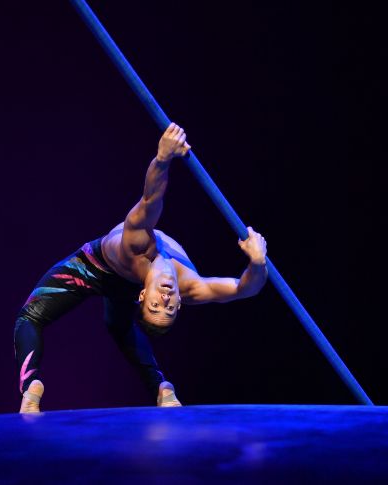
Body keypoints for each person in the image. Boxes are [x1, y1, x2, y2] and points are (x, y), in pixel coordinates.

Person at [14, 123, 268, 413]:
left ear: (143, 296)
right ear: (179, 304)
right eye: (169, 308)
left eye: (155, 307)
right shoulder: (189, 286)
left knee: (36, 317)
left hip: (93, 267)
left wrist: (162, 159)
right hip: (99, 268)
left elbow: (150, 203)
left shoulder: (135, 249)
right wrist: (257, 262)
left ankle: (157, 388)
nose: (165, 302)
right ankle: (35, 386)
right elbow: (244, 288)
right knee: (93, 323)